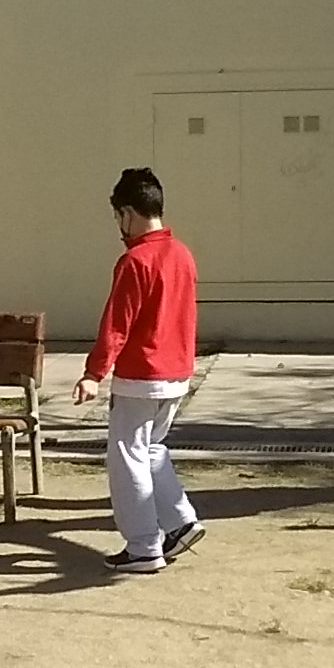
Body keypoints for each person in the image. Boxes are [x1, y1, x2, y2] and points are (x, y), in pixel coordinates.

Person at [74, 167, 203, 576]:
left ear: (128, 212)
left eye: (118, 216)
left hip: (141, 375)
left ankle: (144, 546)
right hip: (177, 371)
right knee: (151, 449)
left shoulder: (134, 261)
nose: (118, 226)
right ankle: (180, 521)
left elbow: (117, 324)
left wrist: (94, 373)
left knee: (128, 455)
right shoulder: (182, 254)